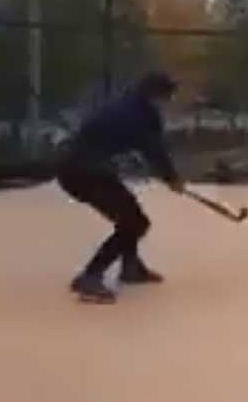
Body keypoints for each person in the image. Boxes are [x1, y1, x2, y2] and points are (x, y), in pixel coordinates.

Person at [57, 71, 185, 303]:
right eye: (168, 96)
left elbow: (120, 140)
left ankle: (131, 268)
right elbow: (153, 150)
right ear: (156, 96)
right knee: (135, 222)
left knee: (129, 216)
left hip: (80, 169)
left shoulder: (128, 105)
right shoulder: (144, 115)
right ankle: (90, 277)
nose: (169, 102)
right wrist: (172, 178)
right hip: (86, 173)